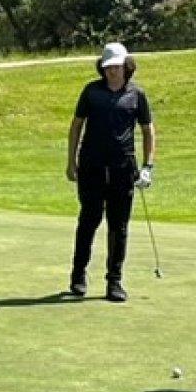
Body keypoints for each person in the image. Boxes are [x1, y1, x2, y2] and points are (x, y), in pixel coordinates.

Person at [66, 42, 156, 302]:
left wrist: (148, 166)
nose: (112, 72)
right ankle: (78, 275)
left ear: (126, 66)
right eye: (108, 67)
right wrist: (71, 162)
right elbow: (76, 127)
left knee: (119, 225)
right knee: (89, 220)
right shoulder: (91, 92)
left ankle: (114, 282)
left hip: (123, 167)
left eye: (117, 67)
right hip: (92, 165)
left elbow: (148, 130)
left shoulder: (136, 95)